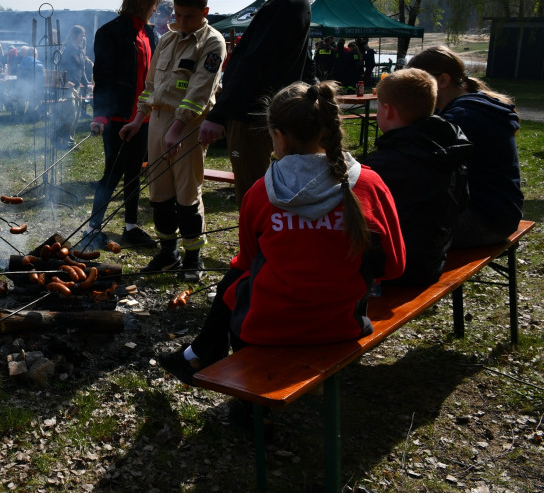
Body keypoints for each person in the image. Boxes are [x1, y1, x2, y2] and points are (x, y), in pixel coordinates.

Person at [160, 81, 404, 383]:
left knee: (236, 281)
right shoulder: (369, 184)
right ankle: (203, 358)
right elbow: (394, 267)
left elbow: (246, 264)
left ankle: (208, 364)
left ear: (277, 135)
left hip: (263, 330)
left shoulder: (260, 193)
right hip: (343, 326)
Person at [120, 0, 227, 281]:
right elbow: (151, 85)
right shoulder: (167, 39)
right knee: (160, 194)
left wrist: (177, 129)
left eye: (189, 17)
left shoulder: (212, 42)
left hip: (188, 126)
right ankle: (168, 253)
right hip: (158, 122)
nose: (181, 22)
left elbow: (200, 90)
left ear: (205, 12)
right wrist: (137, 119)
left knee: (187, 195)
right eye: (177, 15)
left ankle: (193, 258)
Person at [198, 0, 315, 206]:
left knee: (251, 194)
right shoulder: (295, 0)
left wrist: (218, 115)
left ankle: (254, 248)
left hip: (250, 117)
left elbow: (251, 64)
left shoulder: (283, 4)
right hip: (266, 113)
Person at [407, 46, 523, 247]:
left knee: (387, 229)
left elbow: (414, 160)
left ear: (442, 81)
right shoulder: (477, 105)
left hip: (483, 221)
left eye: (415, 84)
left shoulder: (460, 118)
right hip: (502, 214)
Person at [365, 69, 471, 286]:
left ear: (388, 110)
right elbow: (463, 202)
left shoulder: (380, 167)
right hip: (431, 262)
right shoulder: (451, 148)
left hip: (391, 271)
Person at [82, 0, 162, 250]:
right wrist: (100, 115)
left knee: (134, 173)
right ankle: (93, 228)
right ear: (142, 2)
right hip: (118, 116)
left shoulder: (150, 34)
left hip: (144, 117)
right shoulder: (111, 32)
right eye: (153, 4)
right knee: (112, 173)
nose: (155, 9)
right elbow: (102, 76)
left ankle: (131, 227)